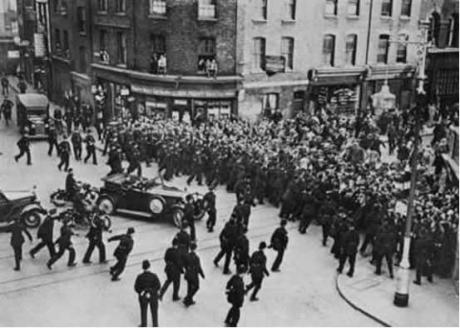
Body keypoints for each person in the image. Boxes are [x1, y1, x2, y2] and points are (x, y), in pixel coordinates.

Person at [134, 260, 161, 327]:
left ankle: (144, 324)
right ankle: (155, 324)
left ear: (142, 267)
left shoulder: (139, 277)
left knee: (143, 310)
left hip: (143, 296)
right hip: (153, 296)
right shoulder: (154, 276)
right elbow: (158, 286)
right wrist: (151, 291)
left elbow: (136, 287)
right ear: (149, 266)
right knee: (154, 311)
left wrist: (142, 292)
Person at [183, 242, 205, 307]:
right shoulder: (196, 257)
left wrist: (187, 269)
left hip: (188, 273)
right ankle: (188, 298)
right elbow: (198, 267)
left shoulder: (186, 256)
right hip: (194, 274)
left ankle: (189, 300)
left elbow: (184, 264)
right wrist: (202, 274)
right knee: (196, 287)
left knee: (189, 287)